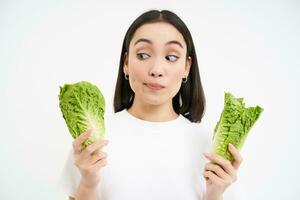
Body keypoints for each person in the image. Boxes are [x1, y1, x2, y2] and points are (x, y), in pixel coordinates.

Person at [59, 10, 246, 200]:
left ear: (186, 67)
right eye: (142, 55)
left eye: (171, 57)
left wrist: (214, 193)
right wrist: (88, 183)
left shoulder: (209, 146)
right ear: (126, 62)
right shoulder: (93, 141)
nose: (156, 70)